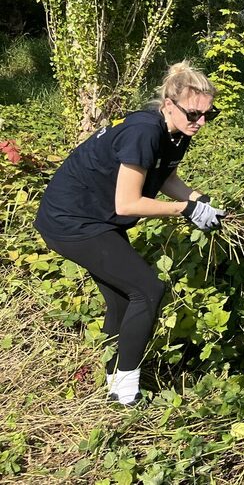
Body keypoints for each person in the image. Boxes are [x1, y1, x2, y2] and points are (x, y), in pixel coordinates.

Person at [34, 62, 226, 405]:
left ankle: (113, 378)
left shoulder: (177, 133)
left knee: (123, 297)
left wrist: (201, 201)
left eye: (208, 115)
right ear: (169, 104)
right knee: (148, 290)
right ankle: (126, 391)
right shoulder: (144, 132)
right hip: (71, 220)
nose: (201, 122)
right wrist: (185, 210)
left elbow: (166, 178)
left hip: (97, 218)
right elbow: (127, 204)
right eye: (194, 114)